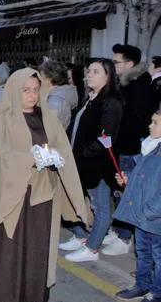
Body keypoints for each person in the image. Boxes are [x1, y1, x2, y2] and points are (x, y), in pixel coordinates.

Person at [0, 68, 87, 302]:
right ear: (14, 90)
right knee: (8, 251)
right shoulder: (0, 119)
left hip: (42, 197)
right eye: (26, 90)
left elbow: (61, 147)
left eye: (35, 90)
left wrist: (55, 157)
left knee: (36, 250)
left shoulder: (47, 117)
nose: (32, 95)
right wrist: (29, 158)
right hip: (9, 197)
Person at [61, 58, 124, 262]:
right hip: (81, 161)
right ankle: (81, 237)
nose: (89, 74)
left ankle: (92, 248)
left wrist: (83, 153)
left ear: (109, 75)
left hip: (98, 164)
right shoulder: (90, 97)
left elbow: (107, 138)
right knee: (83, 201)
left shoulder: (111, 101)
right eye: (89, 71)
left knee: (100, 206)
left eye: (96, 71)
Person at [102, 44, 156, 256]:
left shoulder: (141, 87)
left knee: (128, 193)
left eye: (116, 62)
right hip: (122, 147)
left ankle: (125, 238)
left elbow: (141, 123)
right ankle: (119, 231)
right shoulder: (125, 85)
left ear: (130, 64)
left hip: (133, 149)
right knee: (119, 191)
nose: (113, 66)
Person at [112, 108, 161, 302]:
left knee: (158, 257)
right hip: (143, 216)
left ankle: (157, 293)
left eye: (156, 123)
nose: (150, 125)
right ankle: (142, 285)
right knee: (143, 252)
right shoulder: (151, 147)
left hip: (154, 218)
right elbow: (144, 179)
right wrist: (128, 179)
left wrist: (149, 212)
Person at [39, 60, 79, 129]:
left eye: (41, 76)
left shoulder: (54, 101)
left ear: (49, 79)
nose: (39, 79)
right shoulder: (61, 94)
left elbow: (47, 129)